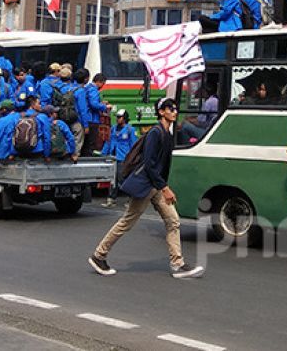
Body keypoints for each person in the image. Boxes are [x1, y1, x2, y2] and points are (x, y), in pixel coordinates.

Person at [88, 98, 205, 279]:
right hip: (146, 185)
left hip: (156, 187)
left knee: (173, 221)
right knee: (127, 222)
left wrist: (163, 186)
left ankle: (177, 263)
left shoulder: (168, 133)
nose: (174, 111)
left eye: (175, 109)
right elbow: (149, 165)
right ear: (161, 112)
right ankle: (99, 255)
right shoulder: (155, 133)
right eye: (170, 109)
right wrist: (165, 187)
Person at [100, 109, 137, 208]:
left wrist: (133, 158)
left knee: (122, 178)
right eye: (117, 117)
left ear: (124, 118)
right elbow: (108, 142)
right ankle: (111, 199)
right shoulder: (113, 129)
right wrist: (103, 154)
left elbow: (134, 145)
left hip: (124, 158)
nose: (117, 119)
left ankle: (131, 198)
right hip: (113, 157)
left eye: (119, 117)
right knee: (112, 179)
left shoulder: (130, 130)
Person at [82, 73, 113, 154]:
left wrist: (100, 103)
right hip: (92, 119)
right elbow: (93, 104)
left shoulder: (87, 88)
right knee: (91, 143)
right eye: (103, 83)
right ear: (99, 82)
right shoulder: (93, 89)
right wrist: (105, 107)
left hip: (86, 118)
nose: (102, 86)